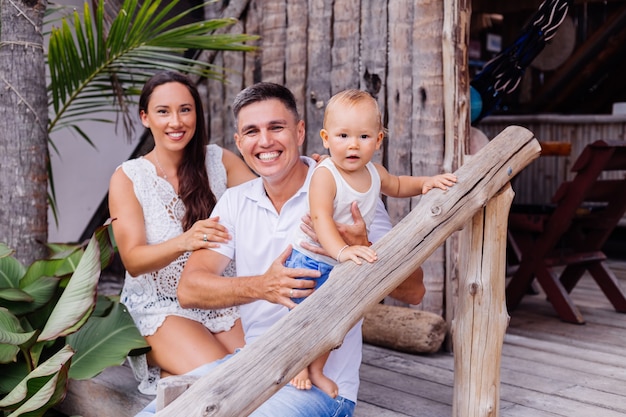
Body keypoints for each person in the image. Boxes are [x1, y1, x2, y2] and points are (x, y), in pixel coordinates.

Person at [175, 82, 427, 417]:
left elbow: (415, 290)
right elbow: (190, 288)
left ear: (300, 132)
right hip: (251, 364)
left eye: (276, 127)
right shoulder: (236, 201)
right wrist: (262, 286)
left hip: (319, 389)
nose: (264, 141)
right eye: (252, 131)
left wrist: (361, 245)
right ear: (239, 143)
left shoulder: (345, 186)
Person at [287, 89, 457, 398]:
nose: (353, 144)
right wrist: (342, 250)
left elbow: (399, 184)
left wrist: (426, 183)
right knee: (306, 316)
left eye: (363, 136)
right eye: (343, 136)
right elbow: (321, 218)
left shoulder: (374, 173)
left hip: (341, 264)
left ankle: (316, 369)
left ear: (378, 140)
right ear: (325, 138)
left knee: (333, 322)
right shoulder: (325, 176)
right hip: (311, 262)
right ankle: (297, 365)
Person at [108, 71, 256, 395]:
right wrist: (186, 241)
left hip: (219, 299)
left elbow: (266, 205)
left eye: (185, 109)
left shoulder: (220, 161)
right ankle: (174, 370)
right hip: (161, 306)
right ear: (145, 117)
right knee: (224, 383)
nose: (176, 121)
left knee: (261, 374)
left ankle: (173, 378)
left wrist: (311, 173)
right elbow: (132, 260)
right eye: (163, 111)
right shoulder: (129, 177)